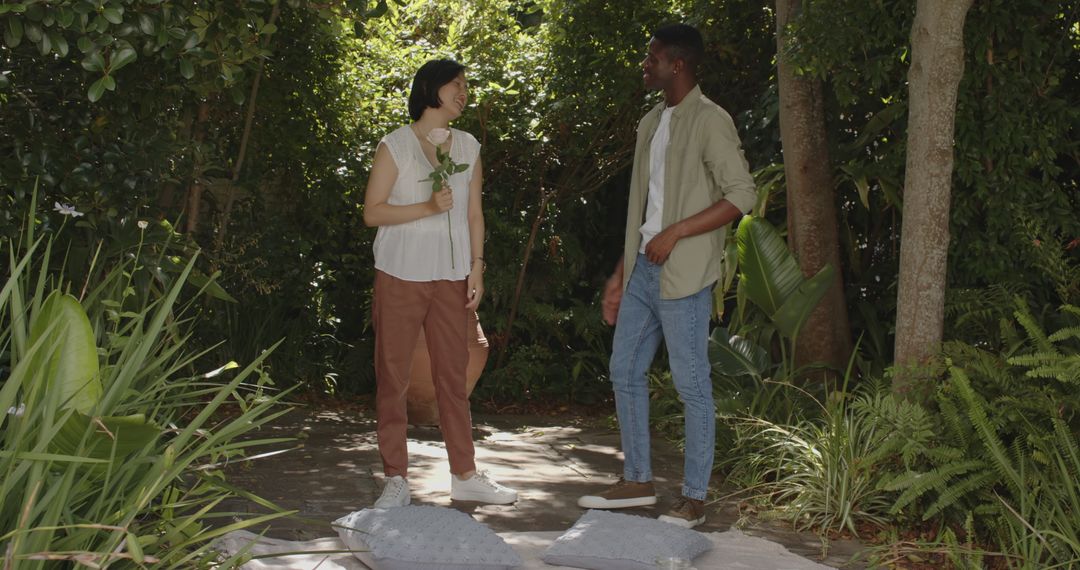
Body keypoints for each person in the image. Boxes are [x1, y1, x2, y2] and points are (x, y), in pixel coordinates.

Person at [577, 24, 757, 528]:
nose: (645, 64)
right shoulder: (650, 122)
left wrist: (677, 232)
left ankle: (694, 498)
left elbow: (742, 194)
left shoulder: (711, 121)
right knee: (624, 371)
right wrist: (620, 274)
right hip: (641, 273)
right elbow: (644, 210)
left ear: (677, 64)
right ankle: (636, 481)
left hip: (685, 275)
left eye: (652, 57)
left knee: (691, 383)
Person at [363, 58, 517, 508]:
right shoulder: (395, 146)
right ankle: (395, 478)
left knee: (453, 377)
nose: (464, 91)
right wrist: (426, 208)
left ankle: (465, 474)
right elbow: (373, 212)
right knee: (393, 378)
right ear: (431, 89)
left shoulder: (467, 147)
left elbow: (473, 213)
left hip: (452, 277)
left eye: (466, 84)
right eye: (456, 84)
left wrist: (477, 266)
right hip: (400, 274)